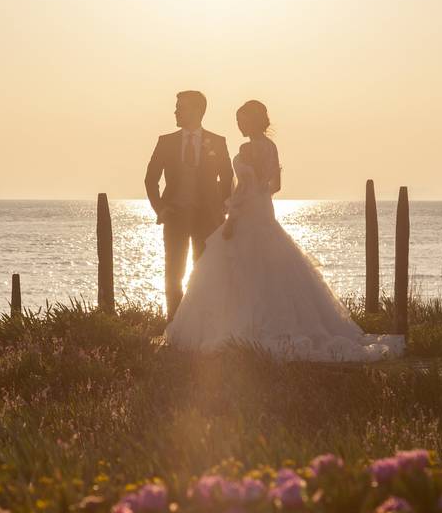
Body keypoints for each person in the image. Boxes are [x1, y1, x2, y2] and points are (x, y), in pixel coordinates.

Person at [164, 100, 403, 362]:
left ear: (252, 120)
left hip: (246, 214)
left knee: (237, 270)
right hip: (265, 213)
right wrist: (259, 194)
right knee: (271, 272)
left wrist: (232, 217)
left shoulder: (246, 149)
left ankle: (241, 329)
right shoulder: (271, 147)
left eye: (241, 120)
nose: (239, 125)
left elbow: (242, 189)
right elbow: (274, 185)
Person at [145, 90, 233, 320]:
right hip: (175, 216)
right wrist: (160, 208)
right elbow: (150, 179)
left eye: (180, 107)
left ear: (196, 110)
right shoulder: (166, 142)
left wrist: (221, 205)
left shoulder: (217, 141)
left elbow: (227, 176)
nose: (175, 111)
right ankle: (174, 324)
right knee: (173, 273)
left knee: (203, 274)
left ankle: (204, 322)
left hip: (207, 220)